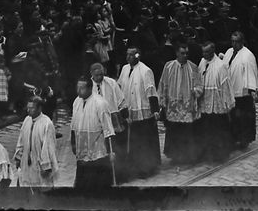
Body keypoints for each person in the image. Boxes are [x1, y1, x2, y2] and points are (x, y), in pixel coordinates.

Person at [117, 46, 160, 179]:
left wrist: (155, 111)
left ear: (137, 56)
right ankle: (135, 165)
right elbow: (119, 87)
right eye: (127, 55)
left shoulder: (146, 71)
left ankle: (148, 167)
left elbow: (151, 91)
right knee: (134, 140)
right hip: (129, 109)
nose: (128, 57)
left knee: (144, 140)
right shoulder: (124, 69)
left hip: (144, 111)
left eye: (131, 55)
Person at [157, 43, 202, 165]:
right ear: (177, 53)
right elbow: (163, 84)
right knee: (174, 132)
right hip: (173, 106)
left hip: (187, 106)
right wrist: (162, 101)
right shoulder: (169, 67)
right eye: (182, 53)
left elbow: (199, 85)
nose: (185, 55)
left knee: (186, 132)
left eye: (187, 53)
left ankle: (187, 155)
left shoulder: (193, 67)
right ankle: (174, 155)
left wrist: (196, 91)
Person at [70, 76, 116, 188]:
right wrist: (73, 143)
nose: (78, 90)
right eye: (77, 87)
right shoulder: (76, 102)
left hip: (97, 153)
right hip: (82, 151)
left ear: (90, 88)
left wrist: (111, 151)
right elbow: (73, 125)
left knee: (98, 185)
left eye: (82, 88)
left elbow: (108, 129)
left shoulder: (100, 103)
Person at [197, 40, 235, 163]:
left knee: (218, 128)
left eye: (207, 52)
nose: (205, 55)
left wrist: (227, 104)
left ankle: (220, 154)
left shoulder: (221, 65)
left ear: (213, 51)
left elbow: (226, 86)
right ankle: (208, 152)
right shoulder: (202, 62)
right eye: (203, 52)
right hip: (205, 100)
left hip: (217, 102)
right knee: (206, 128)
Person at [220, 31, 258, 149]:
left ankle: (244, 139)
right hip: (231, 91)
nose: (234, 44)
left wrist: (252, 90)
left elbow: (251, 73)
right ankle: (234, 138)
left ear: (242, 42)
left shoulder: (247, 56)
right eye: (232, 41)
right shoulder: (229, 52)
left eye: (236, 42)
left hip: (243, 92)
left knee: (244, 118)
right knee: (233, 117)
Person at [13, 96, 58, 187]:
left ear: (39, 108)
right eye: (28, 108)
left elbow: (48, 147)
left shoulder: (47, 123)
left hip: (39, 164)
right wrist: (18, 157)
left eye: (32, 108)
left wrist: (46, 167)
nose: (28, 110)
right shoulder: (27, 120)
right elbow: (21, 141)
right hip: (26, 162)